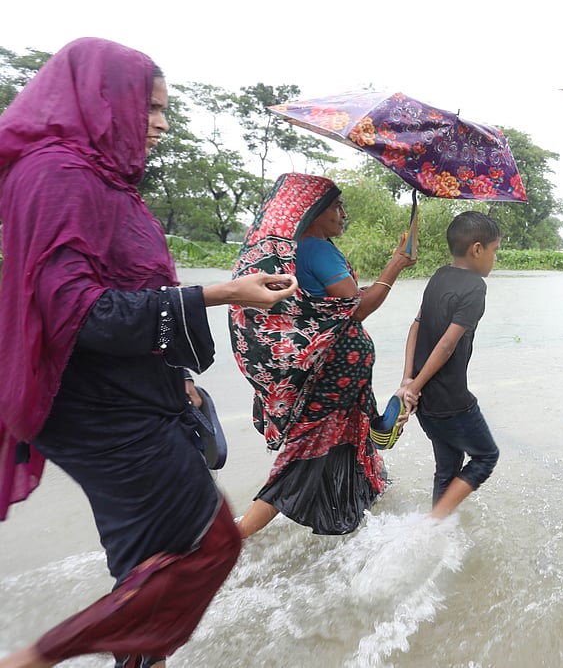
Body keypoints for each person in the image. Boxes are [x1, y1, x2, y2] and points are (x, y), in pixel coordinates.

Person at [0, 37, 297, 668]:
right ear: (100, 101)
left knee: (149, 566)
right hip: (100, 411)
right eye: (149, 107)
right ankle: (33, 658)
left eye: (164, 109)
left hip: (134, 395)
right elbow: (78, 311)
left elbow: (129, 288)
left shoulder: (107, 182)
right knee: (210, 546)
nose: (160, 123)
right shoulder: (56, 175)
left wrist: (179, 374)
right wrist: (220, 293)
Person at [229, 173, 416, 538]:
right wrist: (396, 263)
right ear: (313, 212)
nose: (343, 214)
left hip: (328, 374)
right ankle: (231, 540)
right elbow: (357, 309)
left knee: (346, 446)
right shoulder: (317, 249)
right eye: (336, 207)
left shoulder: (297, 250)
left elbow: (334, 303)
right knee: (304, 456)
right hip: (333, 379)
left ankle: (359, 524)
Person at [398, 211, 501, 520]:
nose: (495, 258)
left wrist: (408, 381)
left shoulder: (439, 275)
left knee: (448, 468)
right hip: (451, 401)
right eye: (495, 250)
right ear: (477, 249)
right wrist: (413, 387)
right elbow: (446, 345)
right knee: (486, 456)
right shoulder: (475, 287)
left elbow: (415, 326)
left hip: (426, 402)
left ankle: (437, 532)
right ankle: (432, 525)